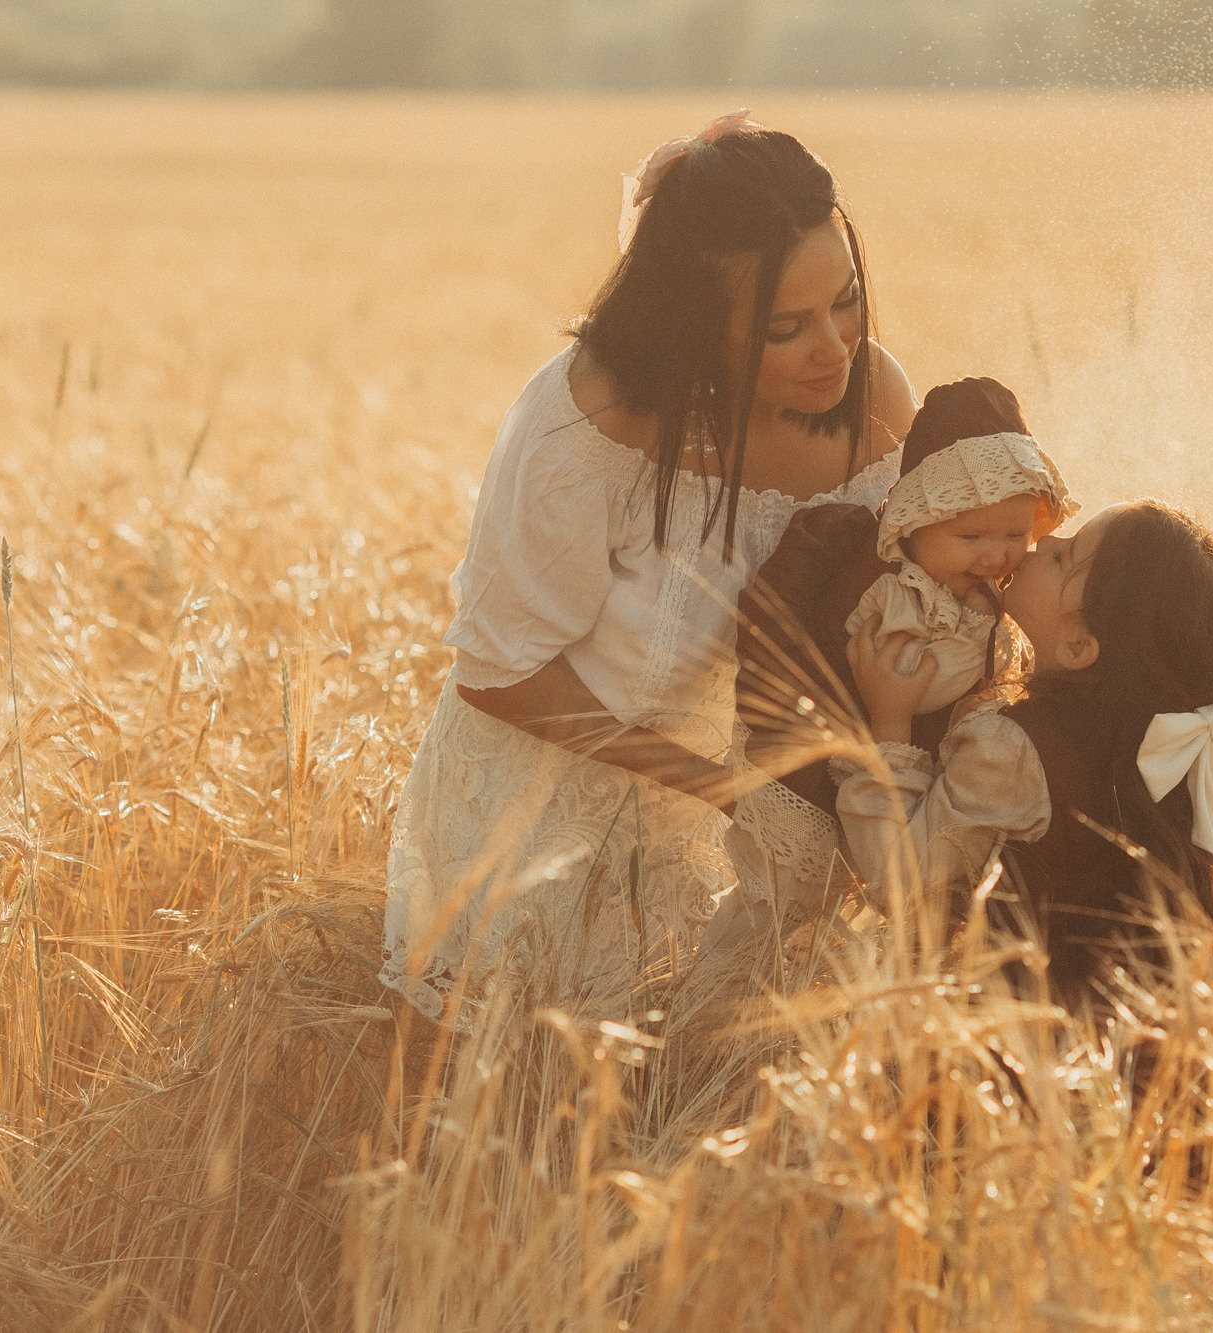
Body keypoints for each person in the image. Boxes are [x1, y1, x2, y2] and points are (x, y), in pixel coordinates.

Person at [379, 110, 918, 1021]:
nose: (834, 347)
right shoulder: (587, 422)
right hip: (552, 826)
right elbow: (498, 673)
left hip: (767, 828)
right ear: (698, 327)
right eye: (786, 327)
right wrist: (726, 793)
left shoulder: (872, 403)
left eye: (846, 298)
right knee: (555, 1130)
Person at [838, 499, 1213, 1028]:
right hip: (1099, 1040)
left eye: (1065, 558)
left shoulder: (1015, 747)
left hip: (1006, 1046)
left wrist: (889, 724)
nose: (1042, 543)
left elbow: (902, 882)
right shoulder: (1148, 744)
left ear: (1077, 646)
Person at [709, 376, 1076, 957]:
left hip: (895, 796)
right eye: (971, 535)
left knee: (840, 938)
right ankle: (706, 1017)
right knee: (772, 917)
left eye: (1014, 534)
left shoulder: (980, 603)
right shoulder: (884, 589)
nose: (996, 555)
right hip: (815, 776)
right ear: (913, 522)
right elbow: (807, 649)